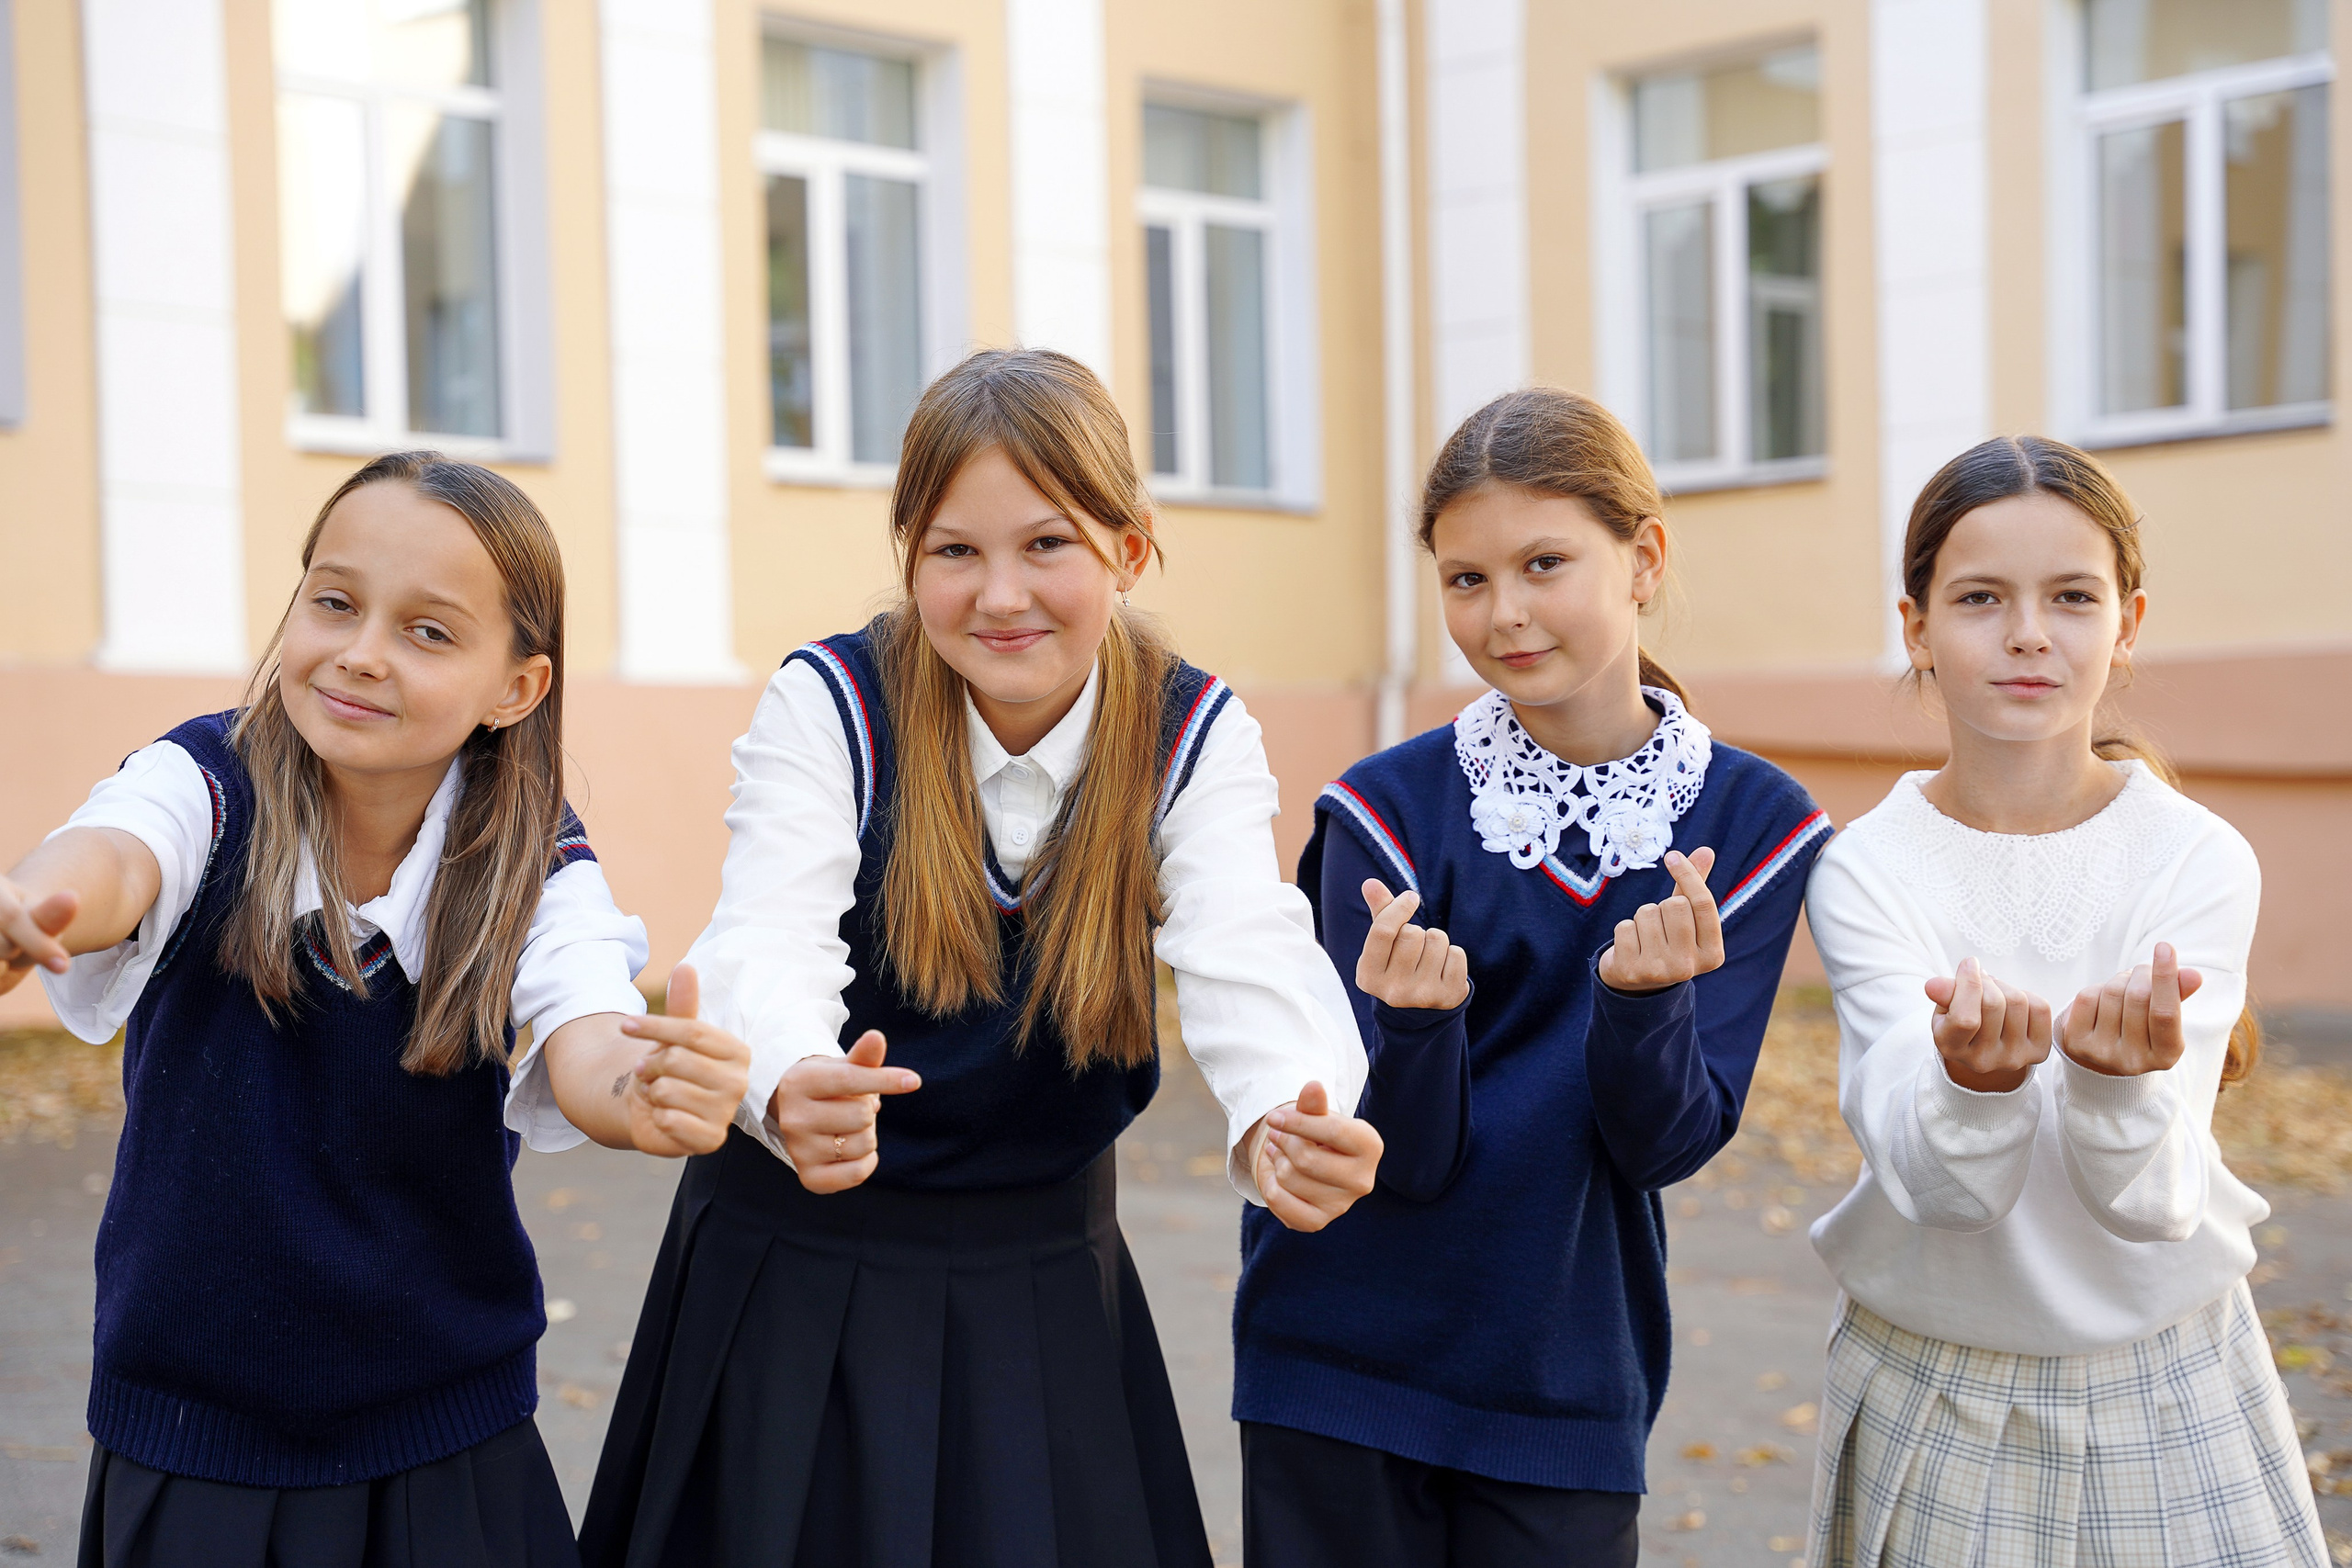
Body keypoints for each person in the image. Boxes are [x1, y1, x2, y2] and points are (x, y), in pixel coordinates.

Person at [577, 348, 1381, 1568]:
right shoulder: (832, 701)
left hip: (1044, 1284)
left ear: (1130, 550)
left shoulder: (1189, 728)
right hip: (795, 1271)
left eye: (1047, 543)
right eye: (956, 550)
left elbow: (1244, 936)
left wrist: (1288, 1103)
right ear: (910, 560)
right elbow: (762, 930)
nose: (1002, 593)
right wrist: (791, 1078)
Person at [0, 451, 752, 1568]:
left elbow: (587, 1026)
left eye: (429, 631)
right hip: (192, 1449)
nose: (360, 653)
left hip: (448, 1452)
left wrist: (640, 1091)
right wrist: (34, 900)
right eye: (335, 603)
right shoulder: (204, 783)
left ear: (518, 689)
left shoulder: (535, 867)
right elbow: (115, 854)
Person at [1231, 388, 1831, 1566]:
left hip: (1562, 1371)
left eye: (1543, 563)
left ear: (1642, 558)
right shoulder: (1384, 811)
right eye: (1465, 579)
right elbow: (1394, 1162)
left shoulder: (1752, 826)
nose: (1503, 613)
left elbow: (1663, 1146)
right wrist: (1414, 1031)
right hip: (1336, 1358)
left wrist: (1642, 1007)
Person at [1802, 434, 2321, 1566]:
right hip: (1933, 1391)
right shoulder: (1866, 869)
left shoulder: (2195, 858)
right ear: (1916, 627)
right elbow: (1935, 1185)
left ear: (2127, 624)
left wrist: (2113, 1087)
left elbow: (2153, 1203)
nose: (2028, 633)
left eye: (2071, 598)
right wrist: (1972, 1093)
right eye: (1980, 597)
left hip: (2166, 1381)